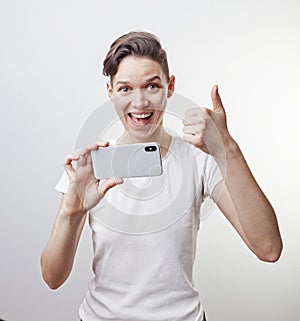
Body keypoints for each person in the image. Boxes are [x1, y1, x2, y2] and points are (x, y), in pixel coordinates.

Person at [41, 31, 283, 321]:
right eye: (125, 89)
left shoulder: (200, 158)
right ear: (110, 93)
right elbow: (52, 277)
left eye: (151, 86)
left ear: (170, 87)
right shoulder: (89, 168)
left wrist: (226, 148)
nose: (140, 102)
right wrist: (72, 210)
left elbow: (268, 248)